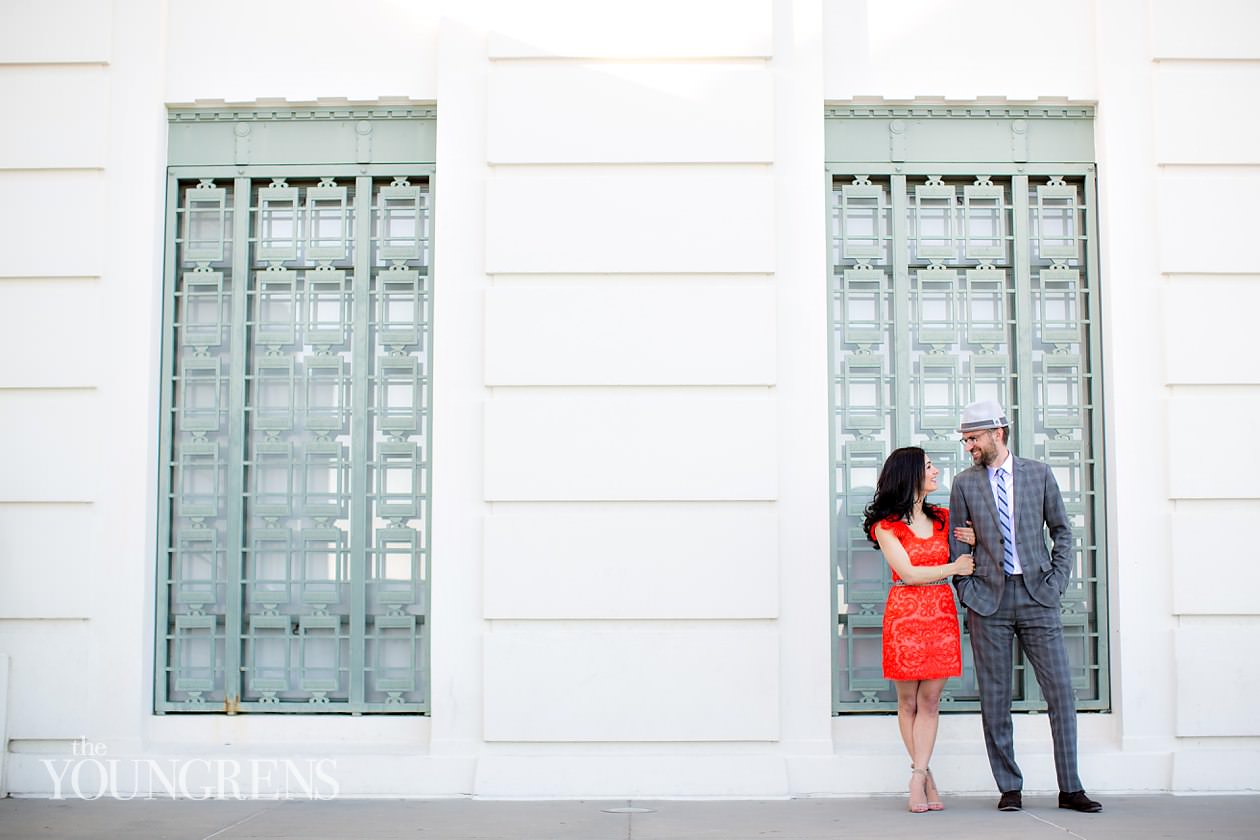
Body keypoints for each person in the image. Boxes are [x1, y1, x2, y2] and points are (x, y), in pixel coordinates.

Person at [947, 399, 1102, 814]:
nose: (968, 446)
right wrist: (967, 591)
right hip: (988, 602)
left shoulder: (1039, 474)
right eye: (965, 439)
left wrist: (1055, 583)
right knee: (995, 697)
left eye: (973, 438)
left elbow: (1063, 533)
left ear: (998, 433)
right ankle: (1009, 787)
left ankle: (1070, 788)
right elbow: (957, 547)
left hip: (1038, 597)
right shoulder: (964, 483)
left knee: (1061, 693)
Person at [863, 447, 975, 813]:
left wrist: (971, 544)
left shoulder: (944, 517)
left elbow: (972, 548)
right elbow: (908, 574)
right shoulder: (886, 526)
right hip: (904, 617)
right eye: (928, 466)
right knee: (907, 701)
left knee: (930, 701)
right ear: (910, 474)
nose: (936, 471)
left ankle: (919, 773)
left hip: (941, 614)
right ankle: (923, 777)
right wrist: (954, 567)